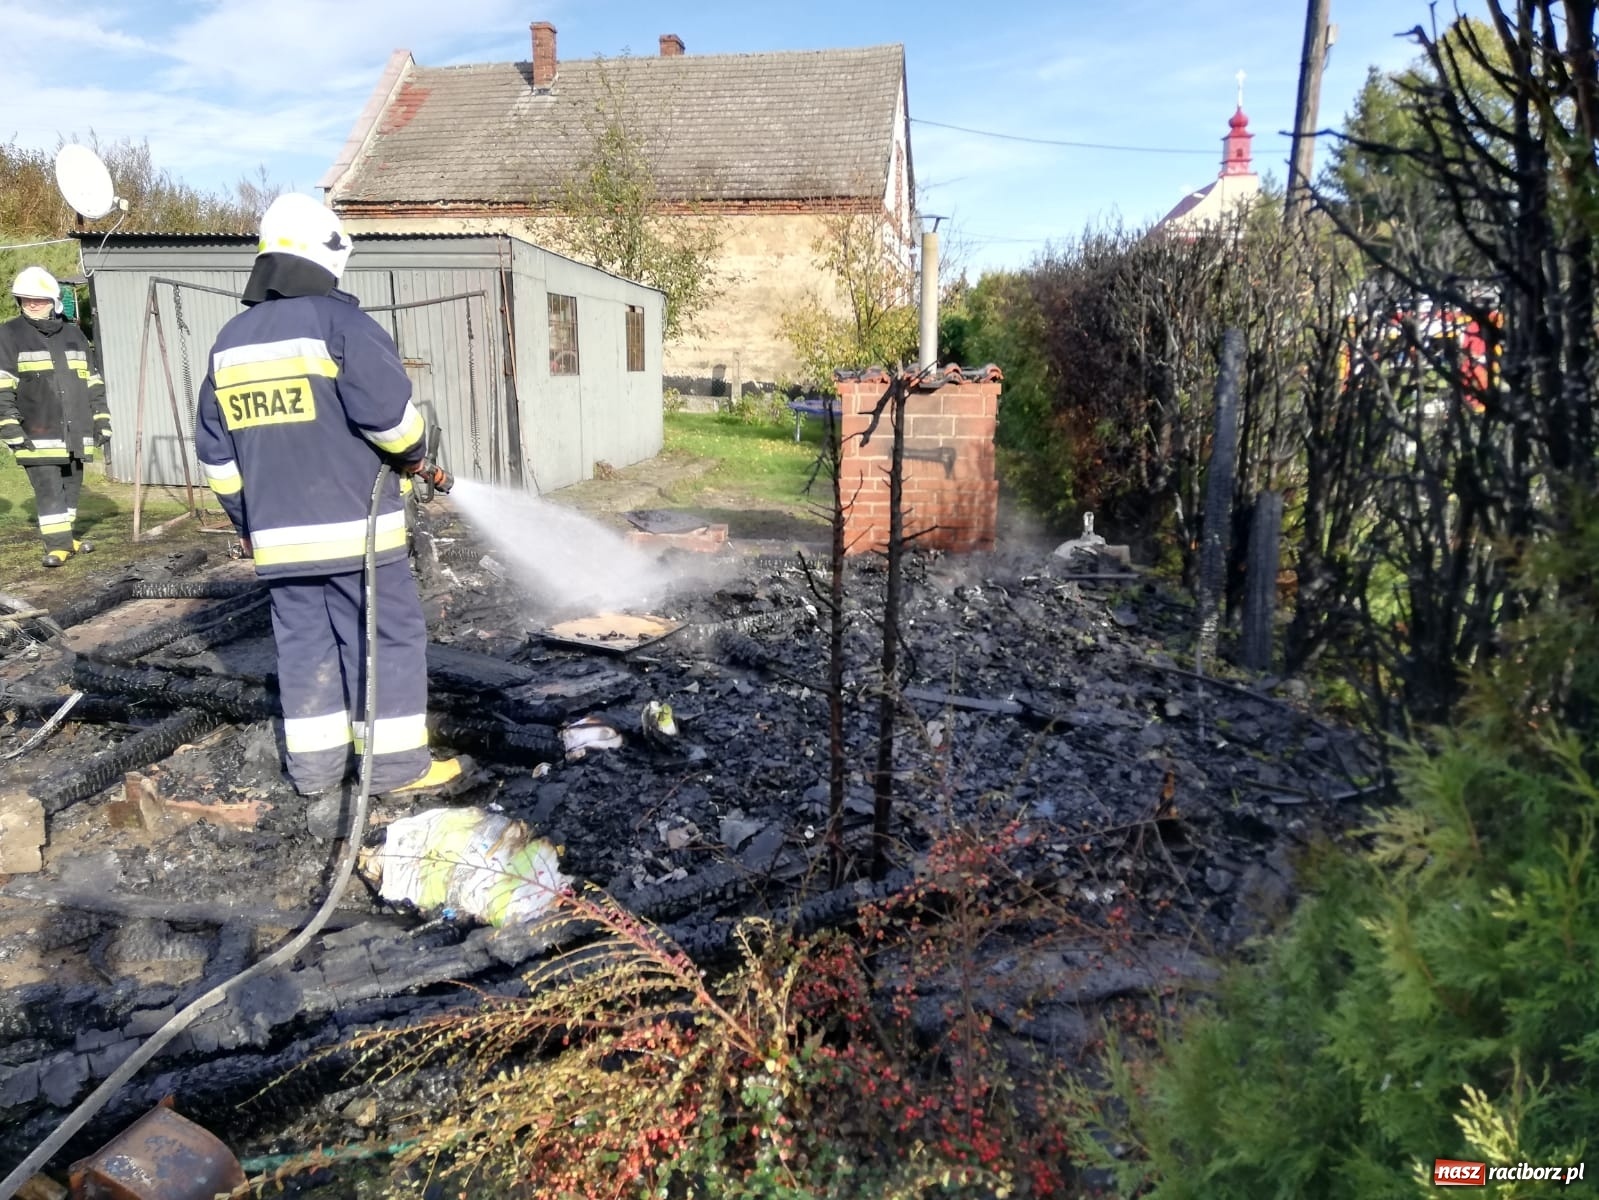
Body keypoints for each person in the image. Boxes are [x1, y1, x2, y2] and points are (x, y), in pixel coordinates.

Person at [194, 193, 460, 797]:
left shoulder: (229, 343)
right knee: (383, 639)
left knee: (303, 647)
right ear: (326, 255)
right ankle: (394, 771)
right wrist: (418, 454)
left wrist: (246, 519)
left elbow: (216, 455)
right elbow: (391, 423)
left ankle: (315, 774)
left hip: (277, 541)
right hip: (358, 536)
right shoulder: (343, 327)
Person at [0, 266, 112, 566]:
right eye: (25, 299)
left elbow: (93, 382)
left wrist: (102, 418)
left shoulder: (74, 335)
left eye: (39, 299)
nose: (32, 304)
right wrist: (9, 426)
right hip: (36, 433)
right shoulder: (8, 334)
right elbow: (2, 385)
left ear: (54, 301)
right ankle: (58, 546)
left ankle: (66, 538)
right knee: (49, 490)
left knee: (71, 487)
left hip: (76, 432)